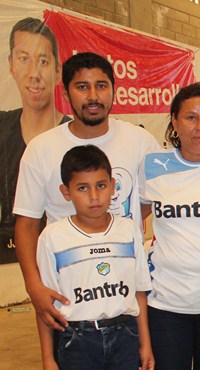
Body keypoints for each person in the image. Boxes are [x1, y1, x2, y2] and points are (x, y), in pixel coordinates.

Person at [13, 52, 159, 332]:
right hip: (69, 299)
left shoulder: (141, 142)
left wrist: (114, 227)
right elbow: (27, 224)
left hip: (124, 297)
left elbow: (152, 201)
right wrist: (34, 286)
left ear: (113, 90)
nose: (93, 96)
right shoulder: (41, 149)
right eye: (82, 87)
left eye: (101, 86)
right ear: (66, 93)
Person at [35, 145, 153, 370]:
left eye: (100, 185)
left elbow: (139, 292)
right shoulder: (52, 237)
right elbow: (45, 306)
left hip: (125, 335)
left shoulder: (128, 230)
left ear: (112, 186)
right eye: (82, 188)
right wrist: (48, 359)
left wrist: (145, 344)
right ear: (66, 192)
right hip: (76, 341)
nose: (93, 196)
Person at [142, 82, 200, 370]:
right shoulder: (153, 166)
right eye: (191, 117)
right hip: (166, 305)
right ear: (175, 122)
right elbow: (132, 220)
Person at [1, 17, 70, 253]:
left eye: (43, 61)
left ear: (58, 71)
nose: (34, 73)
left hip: (61, 261)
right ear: (11, 64)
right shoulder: (2, 127)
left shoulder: (75, 138)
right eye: (24, 59)